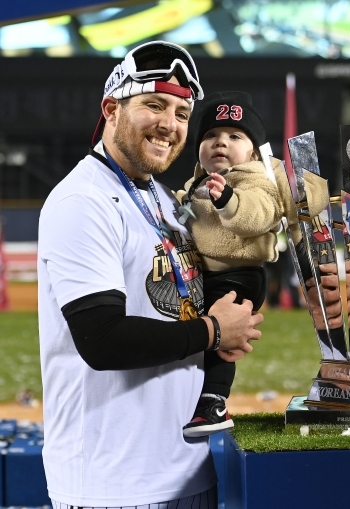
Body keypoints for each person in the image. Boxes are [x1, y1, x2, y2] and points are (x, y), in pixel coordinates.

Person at [38, 41, 264, 508]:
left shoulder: (164, 199)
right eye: (154, 105)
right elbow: (102, 339)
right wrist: (214, 331)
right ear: (112, 109)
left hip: (186, 471)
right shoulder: (83, 201)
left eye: (182, 113)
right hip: (111, 484)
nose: (171, 124)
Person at [175, 91, 329, 436]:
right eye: (211, 135)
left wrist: (229, 201)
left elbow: (255, 216)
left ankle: (214, 402)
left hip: (239, 276)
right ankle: (186, 397)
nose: (220, 142)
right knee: (195, 337)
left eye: (234, 135)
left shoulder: (256, 179)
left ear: (253, 152)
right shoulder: (194, 185)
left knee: (219, 341)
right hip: (202, 277)